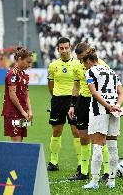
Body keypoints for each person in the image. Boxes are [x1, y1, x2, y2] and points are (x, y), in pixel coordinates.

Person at [81, 48, 123, 189]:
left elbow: (93, 93)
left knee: (98, 146)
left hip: (99, 109)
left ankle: (94, 181)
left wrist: (107, 106)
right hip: (114, 110)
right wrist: (116, 105)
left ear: (89, 61)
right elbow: (122, 93)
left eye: (84, 64)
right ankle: (111, 181)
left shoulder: (90, 72)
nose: (84, 67)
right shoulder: (112, 71)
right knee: (112, 146)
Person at [68, 42, 110, 181]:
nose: (81, 62)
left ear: (88, 53)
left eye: (82, 58)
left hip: (98, 102)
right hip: (83, 102)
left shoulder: (102, 65)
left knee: (99, 138)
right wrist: (72, 105)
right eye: (79, 59)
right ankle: (84, 172)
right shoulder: (76, 66)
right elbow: (76, 86)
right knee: (83, 137)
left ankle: (107, 171)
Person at [47, 37, 81, 171]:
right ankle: (53, 162)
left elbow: (79, 84)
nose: (64, 50)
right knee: (56, 131)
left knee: (76, 131)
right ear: (58, 49)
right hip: (58, 100)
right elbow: (50, 85)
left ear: (70, 47)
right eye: (61, 48)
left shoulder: (78, 64)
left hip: (74, 101)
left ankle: (80, 163)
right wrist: (55, 97)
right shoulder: (53, 65)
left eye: (66, 47)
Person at [2, 47, 33, 142]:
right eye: (28, 62)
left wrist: (30, 111)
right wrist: (22, 111)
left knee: (21, 142)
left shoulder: (24, 75)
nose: (30, 65)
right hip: (13, 113)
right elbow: (12, 95)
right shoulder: (12, 74)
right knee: (16, 145)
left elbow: (26, 94)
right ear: (20, 59)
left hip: (23, 112)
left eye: (31, 62)